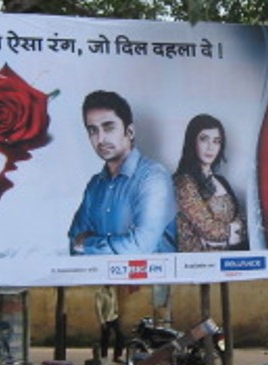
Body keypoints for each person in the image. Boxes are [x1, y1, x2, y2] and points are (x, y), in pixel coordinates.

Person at [68, 91, 176, 255]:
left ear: (130, 132)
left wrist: (89, 243)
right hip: (103, 280)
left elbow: (140, 247)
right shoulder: (95, 185)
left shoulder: (153, 177)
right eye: (92, 130)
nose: (100, 139)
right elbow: (74, 245)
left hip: (153, 280)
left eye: (108, 127)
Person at [173, 114, 247, 252]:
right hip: (196, 266)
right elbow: (209, 230)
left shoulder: (221, 181)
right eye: (204, 139)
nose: (210, 147)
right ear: (192, 141)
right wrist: (231, 233)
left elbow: (243, 219)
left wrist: (223, 238)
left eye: (216, 141)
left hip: (227, 262)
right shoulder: (183, 182)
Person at [94, 285, 126, 365]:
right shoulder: (99, 292)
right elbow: (98, 308)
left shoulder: (112, 290)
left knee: (120, 335)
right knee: (105, 338)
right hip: (105, 319)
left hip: (113, 317)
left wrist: (116, 311)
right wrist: (102, 321)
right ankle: (104, 357)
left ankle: (117, 356)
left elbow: (115, 302)